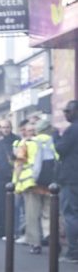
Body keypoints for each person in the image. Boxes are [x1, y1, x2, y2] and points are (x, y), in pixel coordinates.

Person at [14, 117, 57, 254]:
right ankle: (50, 236)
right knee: (48, 213)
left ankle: (35, 243)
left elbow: (19, 164)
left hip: (31, 183)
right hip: (50, 183)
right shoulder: (53, 142)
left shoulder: (27, 144)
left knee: (32, 215)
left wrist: (15, 184)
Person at [55, 100, 78, 262]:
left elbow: (60, 149)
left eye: (68, 111)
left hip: (72, 177)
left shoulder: (72, 130)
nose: (65, 113)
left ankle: (73, 252)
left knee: (70, 214)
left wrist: (56, 137)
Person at [0, 117, 18, 238]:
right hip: (1, 176)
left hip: (13, 175)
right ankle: (2, 229)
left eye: (7, 127)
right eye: (3, 127)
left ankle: (12, 231)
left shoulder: (17, 140)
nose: (5, 129)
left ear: (11, 128)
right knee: (1, 203)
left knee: (14, 205)